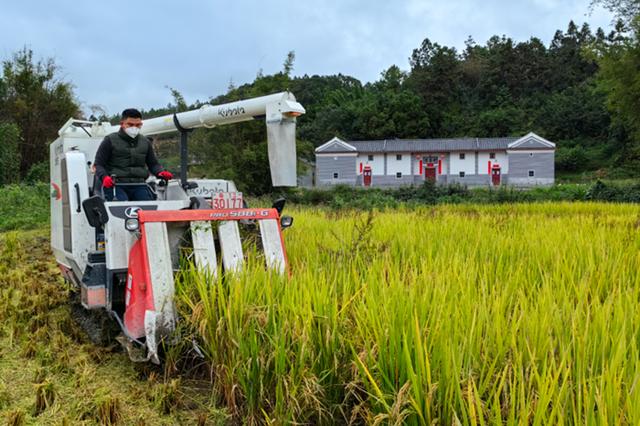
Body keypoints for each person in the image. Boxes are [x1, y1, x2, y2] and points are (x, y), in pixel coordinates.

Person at [94, 108, 173, 201]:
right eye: (130, 124)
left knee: (148, 208)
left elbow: (153, 164)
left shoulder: (145, 142)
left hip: (139, 185)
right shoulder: (109, 140)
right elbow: (98, 164)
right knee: (121, 208)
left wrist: (160, 172)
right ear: (122, 124)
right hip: (116, 185)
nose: (134, 127)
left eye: (138, 125)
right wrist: (104, 177)